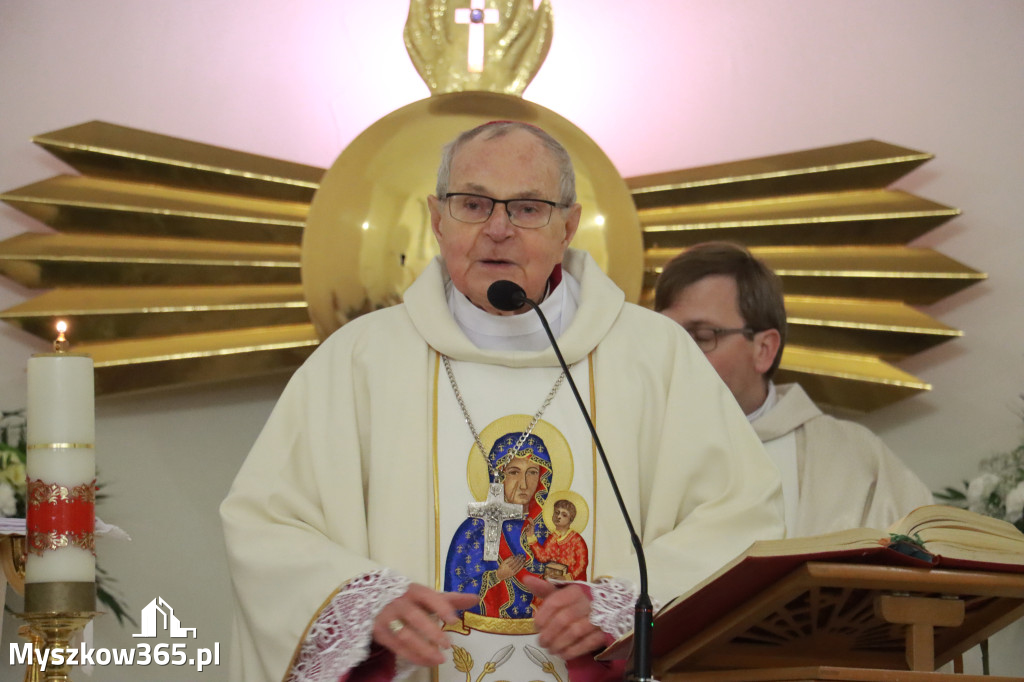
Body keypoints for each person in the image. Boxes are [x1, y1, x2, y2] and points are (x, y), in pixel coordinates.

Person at [221, 123, 785, 682]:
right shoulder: (359, 360)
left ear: (569, 225)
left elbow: (742, 518)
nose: (497, 229)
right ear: (437, 219)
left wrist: (625, 604)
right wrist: (364, 602)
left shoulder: (654, 357)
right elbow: (265, 523)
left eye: (527, 208)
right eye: (472, 204)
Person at [654, 241, 933, 538]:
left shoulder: (855, 459)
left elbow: (922, 563)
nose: (676, 354)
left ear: (764, 349)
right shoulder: (629, 448)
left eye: (701, 336)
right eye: (664, 336)